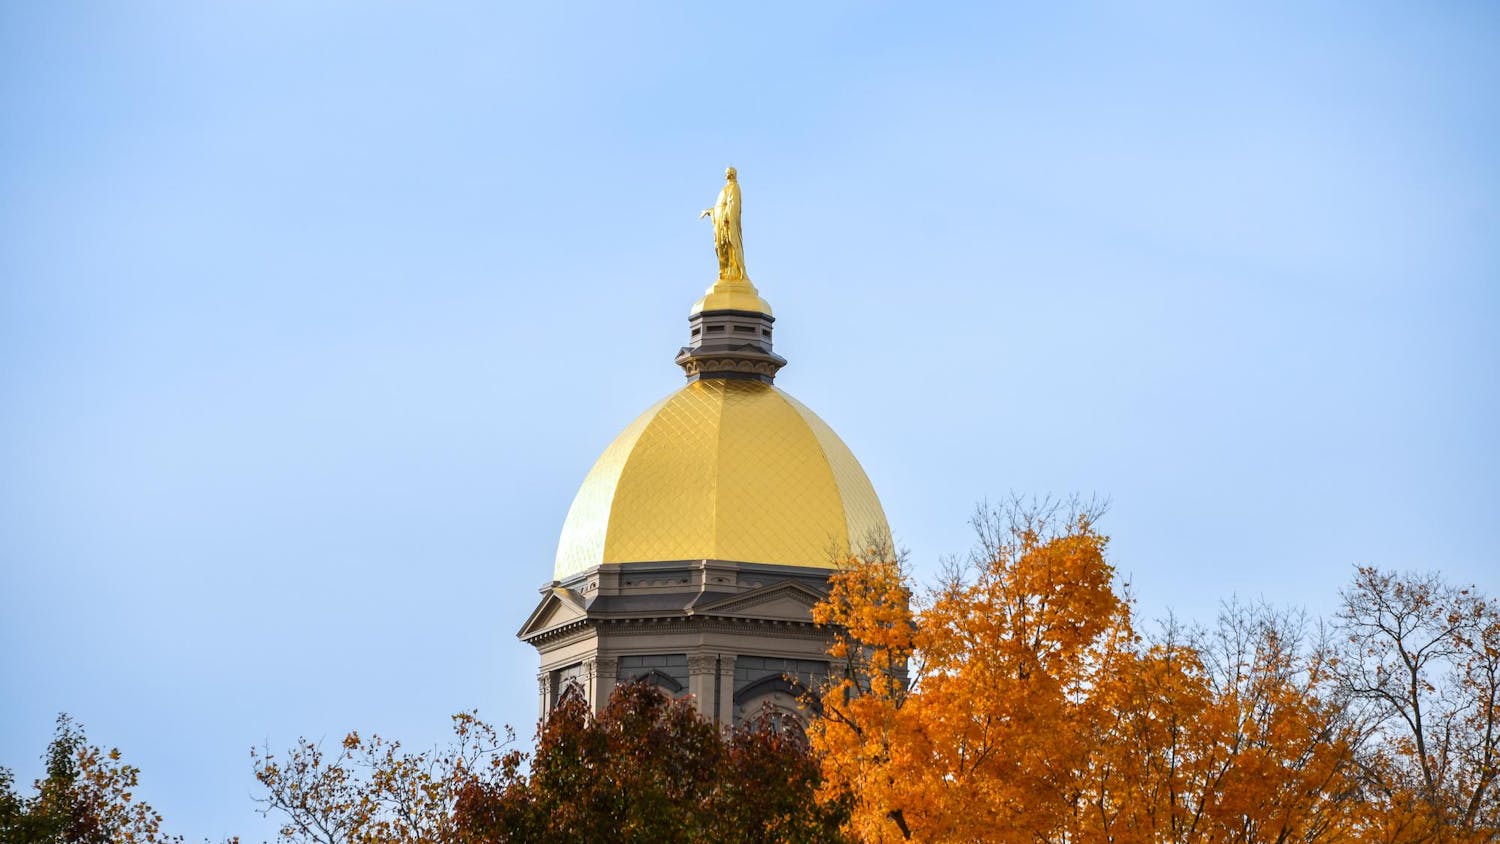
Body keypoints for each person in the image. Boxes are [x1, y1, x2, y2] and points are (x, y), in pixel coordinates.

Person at [700, 167, 747, 281]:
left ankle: (733, 270)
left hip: (727, 220)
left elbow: (733, 205)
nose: (726, 174)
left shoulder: (734, 187)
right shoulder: (725, 188)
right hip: (720, 219)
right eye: (725, 173)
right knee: (721, 246)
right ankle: (725, 271)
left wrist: (727, 215)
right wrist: (710, 211)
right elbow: (719, 206)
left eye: (728, 172)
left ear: (733, 174)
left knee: (730, 243)